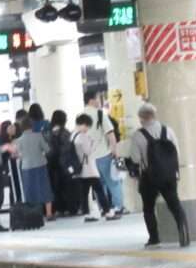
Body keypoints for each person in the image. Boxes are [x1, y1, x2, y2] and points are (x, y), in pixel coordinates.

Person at [128, 103, 189, 248]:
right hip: (169, 175)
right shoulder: (168, 130)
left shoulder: (138, 135)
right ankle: (185, 235)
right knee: (175, 204)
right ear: (154, 115)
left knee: (148, 208)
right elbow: (176, 152)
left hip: (149, 178)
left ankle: (154, 239)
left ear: (141, 118)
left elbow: (135, 159)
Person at [83, 90, 123, 217]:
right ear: (91, 100)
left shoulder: (80, 116)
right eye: (97, 99)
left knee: (99, 186)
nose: (99, 102)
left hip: (89, 158)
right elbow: (110, 133)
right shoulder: (100, 114)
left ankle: (104, 208)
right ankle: (118, 206)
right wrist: (115, 151)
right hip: (104, 154)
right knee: (113, 182)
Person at [14, 114, 55, 221]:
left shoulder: (18, 140)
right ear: (32, 125)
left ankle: (34, 215)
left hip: (26, 167)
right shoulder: (38, 136)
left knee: (30, 191)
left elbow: (18, 154)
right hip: (40, 165)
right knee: (44, 188)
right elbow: (47, 150)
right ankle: (49, 214)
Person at [73, 114, 114, 221]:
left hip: (82, 169)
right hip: (89, 168)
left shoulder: (74, 135)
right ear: (82, 124)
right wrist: (95, 143)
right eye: (87, 125)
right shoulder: (82, 136)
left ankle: (87, 213)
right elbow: (88, 151)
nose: (87, 128)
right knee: (99, 189)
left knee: (85, 193)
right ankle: (107, 211)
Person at [48, 110, 75, 216]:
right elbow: (68, 147)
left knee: (55, 187)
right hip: (64, 164)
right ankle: (68, 208)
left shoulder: (48, 132)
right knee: (67, 187)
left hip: (52, 164)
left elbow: (47, 148)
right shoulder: (65, 132)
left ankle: (57, 209)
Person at [0, 119, 24, 204]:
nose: (12, 129)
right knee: (13, 185)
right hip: (9, 166)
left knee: (19, 184)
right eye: (10, 127)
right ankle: (15, 204)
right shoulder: (3, 141)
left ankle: (20, 202)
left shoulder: (17, 138)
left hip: (17, 165)